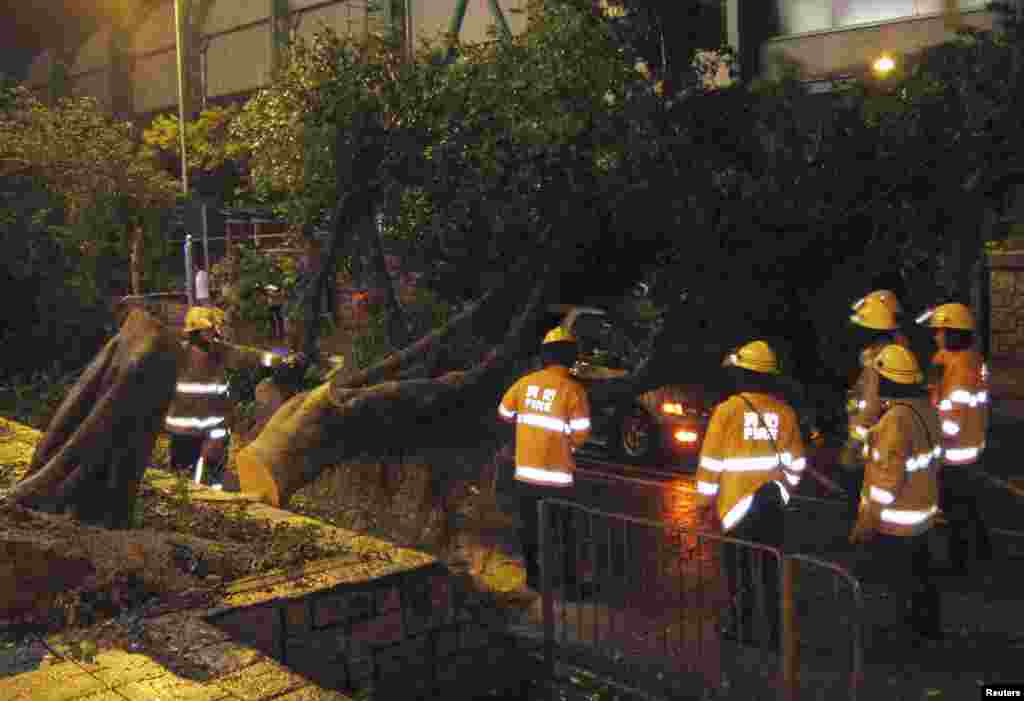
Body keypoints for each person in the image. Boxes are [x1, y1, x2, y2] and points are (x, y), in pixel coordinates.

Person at [696, 340, 806, 648]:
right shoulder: (785, 412)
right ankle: (774, 635)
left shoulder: (727, 411)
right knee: (771, 572)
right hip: (771, 504)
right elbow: (796, 462)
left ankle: (742, 629)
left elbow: (710, 462)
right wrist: (785, 491)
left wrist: (703, 502)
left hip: (735, 506)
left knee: (739, 572)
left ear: (741, 374)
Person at [850, 344, 942, 639]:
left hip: (896, 521)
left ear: (887, 380)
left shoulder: (895, 421)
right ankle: (925, 629)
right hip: (923, 514)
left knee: (894, 583)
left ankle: (899, 639)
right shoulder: (926, 410)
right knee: (921, 577)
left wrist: (867, 521)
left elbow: (887, 481)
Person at [498, 327, 591, 599]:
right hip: (558, 477)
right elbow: (581, 432)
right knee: (566, 533)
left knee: (528, 528)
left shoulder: (524, 383)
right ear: (571, 357)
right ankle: (570, 586)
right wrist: (567, 446)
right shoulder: (574, 390)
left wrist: (525, 436)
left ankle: (534, 578)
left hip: (525, 475)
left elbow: (504, 412)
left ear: (545, 356)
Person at [166, 307, 280, 489]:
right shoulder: (177, 353)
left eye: (213, 329)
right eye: (208, 329)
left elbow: (251, 356)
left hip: (216, 428)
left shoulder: (222, 351)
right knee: (181, 482)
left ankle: (210, 506)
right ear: (195, 331)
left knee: (212, 483)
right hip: (184, 431)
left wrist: (279, 360)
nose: (213, 333)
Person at [917, 302, 993, 574]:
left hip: (955, 451)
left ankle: (958, 566)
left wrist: (930, 439)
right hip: (969, 447)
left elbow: (951, 421)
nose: (936, 336)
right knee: (968, 505)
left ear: (954, 333)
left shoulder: (961, 371)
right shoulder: (966, 359)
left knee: (955, 510)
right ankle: (983, 552)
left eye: (940, 331)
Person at [839, 290, 910, 510]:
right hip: (892, 438)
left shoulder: (879, 360)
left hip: (873, 442)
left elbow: (870, 406)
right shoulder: (899, 351)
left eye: (863, 326)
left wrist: (854, 444)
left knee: (857, 492)